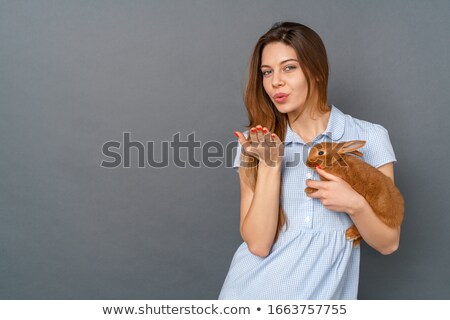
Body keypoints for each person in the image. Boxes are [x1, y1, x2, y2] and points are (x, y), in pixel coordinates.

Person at [218, 21, 401, 299]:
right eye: (267, 72)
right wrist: (270, 165)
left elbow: (389, 243)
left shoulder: (370, 137)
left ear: (315, 71)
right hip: (248, 295)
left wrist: (354, 204)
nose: (275, 81)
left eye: (289, 67)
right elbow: (258, 244)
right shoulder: (256, 144)